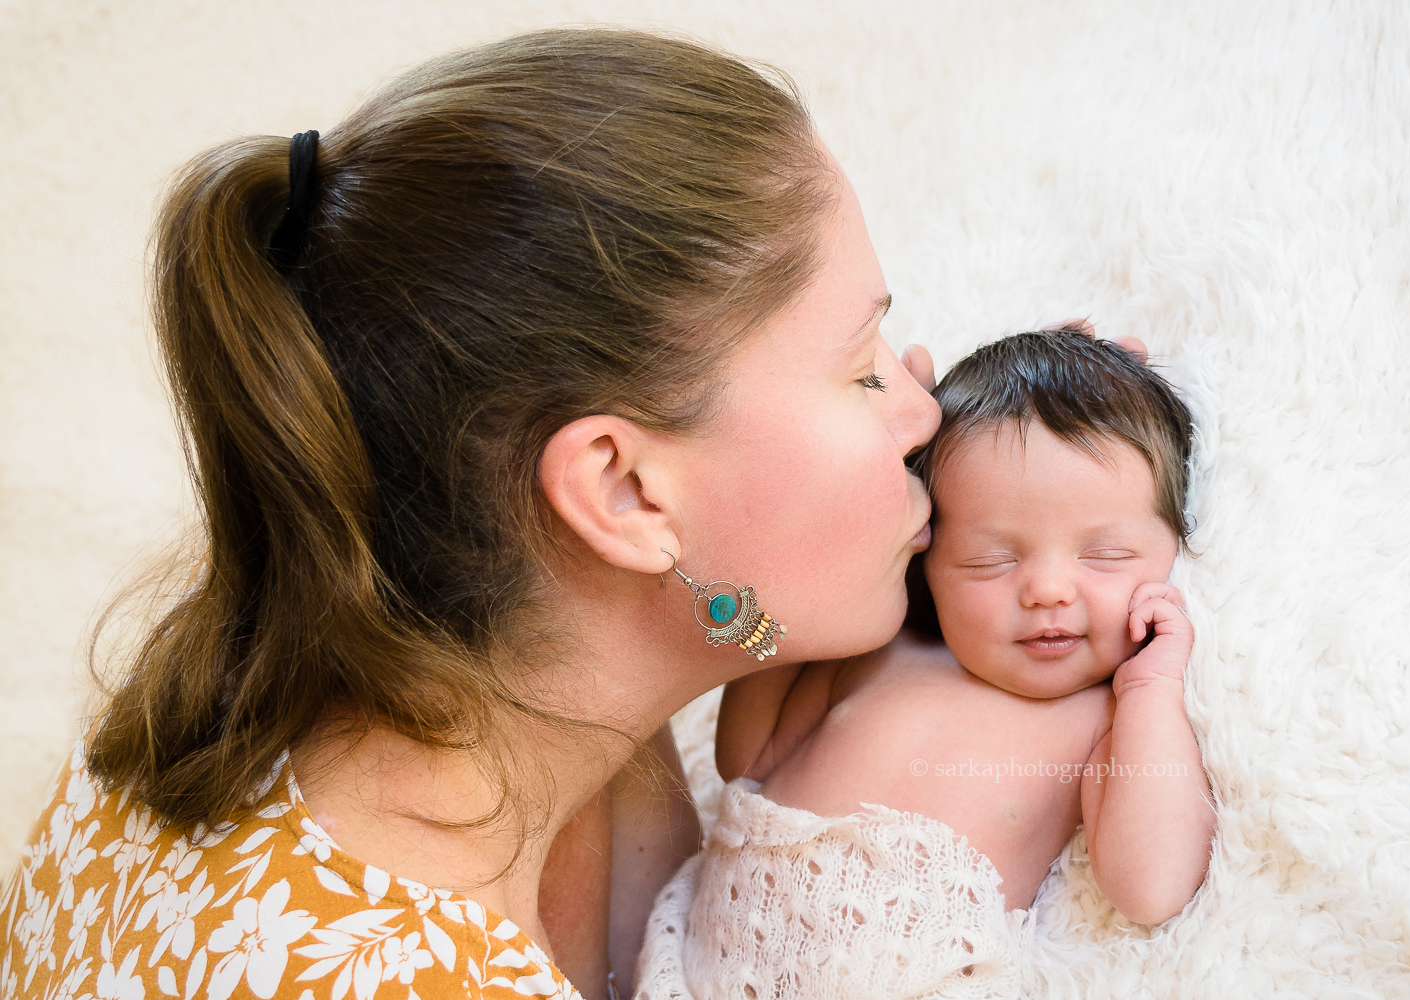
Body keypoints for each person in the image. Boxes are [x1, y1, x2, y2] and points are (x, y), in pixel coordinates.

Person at [0, 28, 942, 1000]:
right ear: (624, 492)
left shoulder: (458, 661)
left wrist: (1057, 485)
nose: (925, 409)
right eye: (864, 368)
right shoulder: (409, 971)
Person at [665, 329, 1217, 1000]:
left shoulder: (1102, 719)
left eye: (1104, 556)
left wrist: (1153, 688)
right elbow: (744, 759)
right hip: (707, 964)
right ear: (927, 556)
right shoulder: (880, 645)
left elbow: (1152, 886)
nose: (1047, 589)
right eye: (992, 560)